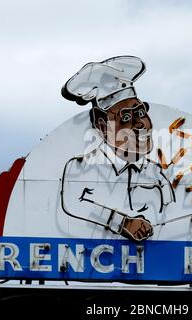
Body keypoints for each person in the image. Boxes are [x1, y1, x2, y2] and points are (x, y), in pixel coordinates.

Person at [60, 56, 175, 242]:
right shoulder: (81, 167)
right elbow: (74, 204)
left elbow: (170, 213)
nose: (140, 124)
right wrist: (123, 223)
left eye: (141, 112)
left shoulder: (156, 173)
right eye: (127, 117)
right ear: (102, 126)